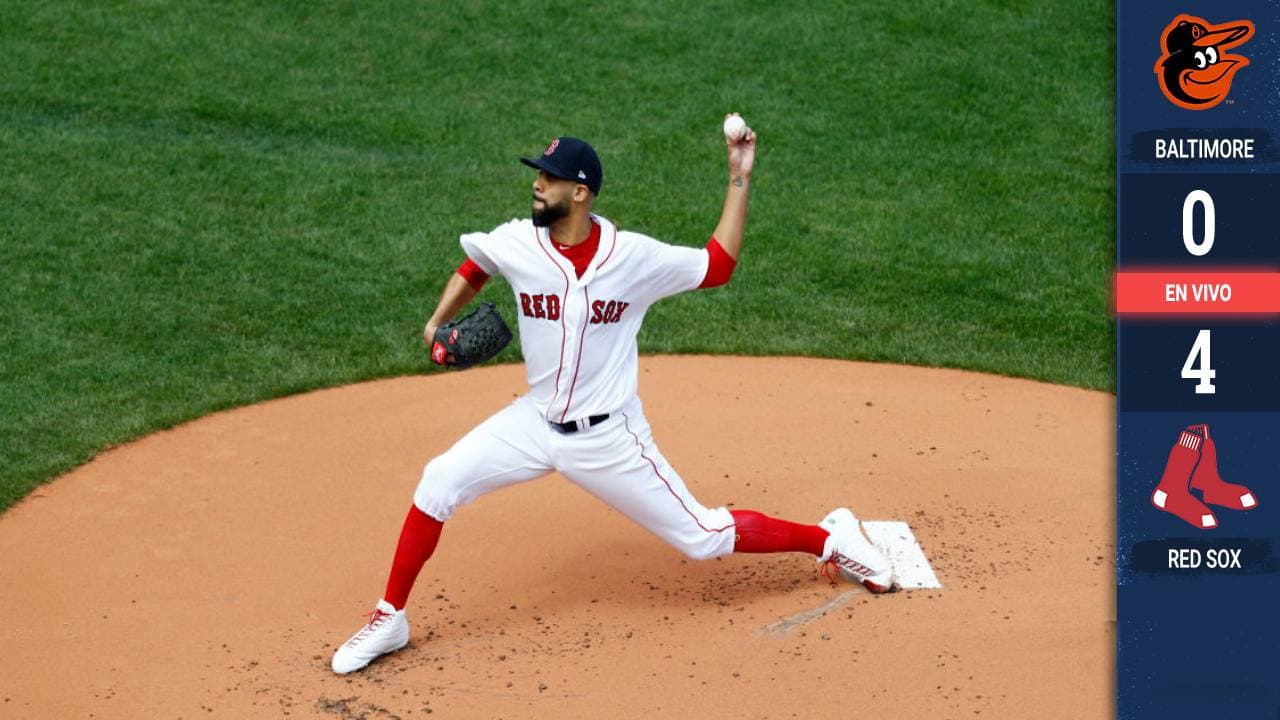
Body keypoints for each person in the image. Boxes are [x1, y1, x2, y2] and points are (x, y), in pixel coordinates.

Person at [331, 116, 896, 674]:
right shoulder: (518, 242)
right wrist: (436, 324)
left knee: (702, 538)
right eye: (538, 174)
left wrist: (739, 175)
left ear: (579, 193)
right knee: (439, 481)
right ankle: (391, 616)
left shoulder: (633, 259)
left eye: (549, 177)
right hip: (532, 424)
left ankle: (829, 537)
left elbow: (718, 266)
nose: (536, 183)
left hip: (607, 438)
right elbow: (476, 262)